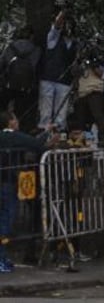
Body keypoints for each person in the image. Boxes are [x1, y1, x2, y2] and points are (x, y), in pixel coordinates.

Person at [0, 109, 58, 272]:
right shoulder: (13, 136)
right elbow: (35, 144)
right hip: (7, 183)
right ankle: (1, 258)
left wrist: (45, 132)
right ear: (10, 122)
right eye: (16, 119)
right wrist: (48, 136)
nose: (18, 122)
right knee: (5, 221)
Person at [38, 10, 78, 133]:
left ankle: (58, 134)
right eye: (66, 24)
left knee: (61, 114)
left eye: (70, 25)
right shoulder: (53, 38)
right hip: (48, 78)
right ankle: (44, 134)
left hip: (65, 81)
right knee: (46, 111)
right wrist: (63, 12)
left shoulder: (75, 43)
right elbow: (56, 26)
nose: (67, 27)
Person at [0, 26, 42, 133]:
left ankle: (3, 128)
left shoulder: (10, 47)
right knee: (21, 111)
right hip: (26, 87)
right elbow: (38, 69)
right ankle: (20, 132)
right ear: (32, 37)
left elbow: (2, 63)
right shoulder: (36, 50)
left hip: (8, 84)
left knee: (3, 107)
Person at [72, 52, 104, 146]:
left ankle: (102, 139)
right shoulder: (82, 63)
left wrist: (94, 64)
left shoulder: (100, 62)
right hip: (82, 93)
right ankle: (80, 140)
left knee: (98, 116)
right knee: (80, 119)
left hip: (95, 91)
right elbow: (74, 72)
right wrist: (80, 61)